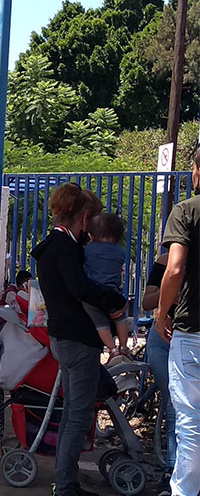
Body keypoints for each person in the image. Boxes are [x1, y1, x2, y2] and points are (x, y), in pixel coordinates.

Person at [30, 183, 126, 496]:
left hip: (62, 337)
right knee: (77, 416)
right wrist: (114, 302)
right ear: (84, 219)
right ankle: (66, 485)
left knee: (73, 412)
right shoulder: (66, 249)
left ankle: (64, 481)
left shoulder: (51, 246)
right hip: (78, 339)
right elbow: (81, 288)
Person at [155, 142, 200, 496]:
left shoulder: (186, 212)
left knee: (191, 424)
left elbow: (175, 268)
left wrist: (161, 313)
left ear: (197, 171)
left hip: (192, 333)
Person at [142, 253, 176, 493]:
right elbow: (147, 302)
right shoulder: (165, 261)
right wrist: (171, 285)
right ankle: (172, 470)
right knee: (173, 403)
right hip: (162, 340)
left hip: (188, 337)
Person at [82, 213, 131, 363]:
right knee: (121, 318)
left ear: (92, 233)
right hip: (113, 292)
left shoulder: (87, 250)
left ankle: (112, 349)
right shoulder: (119, 252)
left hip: (93, 294)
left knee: (99, 322)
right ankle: (123, 347)